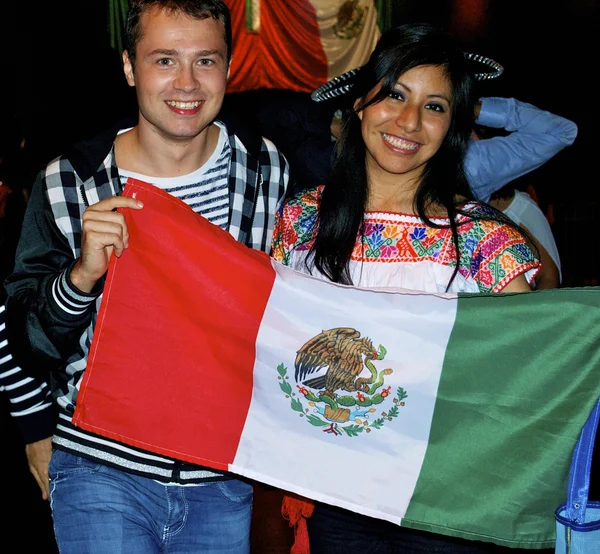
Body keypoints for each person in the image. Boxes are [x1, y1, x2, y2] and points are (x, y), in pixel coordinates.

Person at [3, 1, 289, 552]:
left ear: (229, 67)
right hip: (101, 469)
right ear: (131, 68)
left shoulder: (265, 169)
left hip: (223, 475)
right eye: (165, 60)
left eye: (206, 60)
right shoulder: (72, 180)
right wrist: (83, 277)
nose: (187, 83)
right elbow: (23, 337)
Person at [272, 22, 546, 554]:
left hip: (450, 502)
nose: (409, 122)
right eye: (394, 94)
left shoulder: (484, 240)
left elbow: (526, 367)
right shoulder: (300, 222)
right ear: (358, 105)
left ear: (454, 126)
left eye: (435, 106)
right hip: (341, 497)